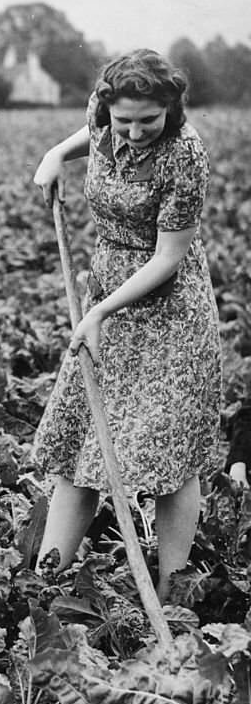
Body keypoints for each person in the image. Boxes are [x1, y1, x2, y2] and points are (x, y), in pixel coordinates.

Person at [31, 48, 222, 601]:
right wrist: (54, 154)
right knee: (83, 439)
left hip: (169, 313)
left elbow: (166, 260)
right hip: (106, 296)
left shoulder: (185, 156)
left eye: (149, 121)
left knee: (170, 456)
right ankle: (46, 581)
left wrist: (97, 311)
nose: (135, 133)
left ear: (172, 109)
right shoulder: (103, 113)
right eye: (125, 121)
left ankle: (171, 591)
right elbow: (89, 132)